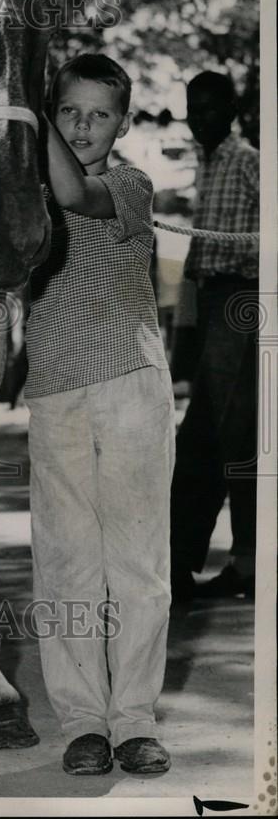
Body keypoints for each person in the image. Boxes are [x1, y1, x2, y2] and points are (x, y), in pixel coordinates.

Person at [25, 54, 174, 777]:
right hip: (53, 391)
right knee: (66, 565)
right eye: (67, 112)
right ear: (52, 115)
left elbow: (71, 190)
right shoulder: (19, 191)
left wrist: (22, 106)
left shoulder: (127, 185)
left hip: (129, 388)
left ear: (122, 124)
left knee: (136, 563)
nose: (83, 126)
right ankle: (84, 721)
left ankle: (134, 720)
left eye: (99, 114)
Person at [169, 72, 259, 602]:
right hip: (209, 303)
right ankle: (179, 564)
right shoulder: (205, 163)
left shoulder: (247, 160)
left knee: (236, 437)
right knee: (200, 437)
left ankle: (248, 563)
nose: (198, 118)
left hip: (242, 300)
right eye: (192, 109)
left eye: (208, 109)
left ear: (230, 110)